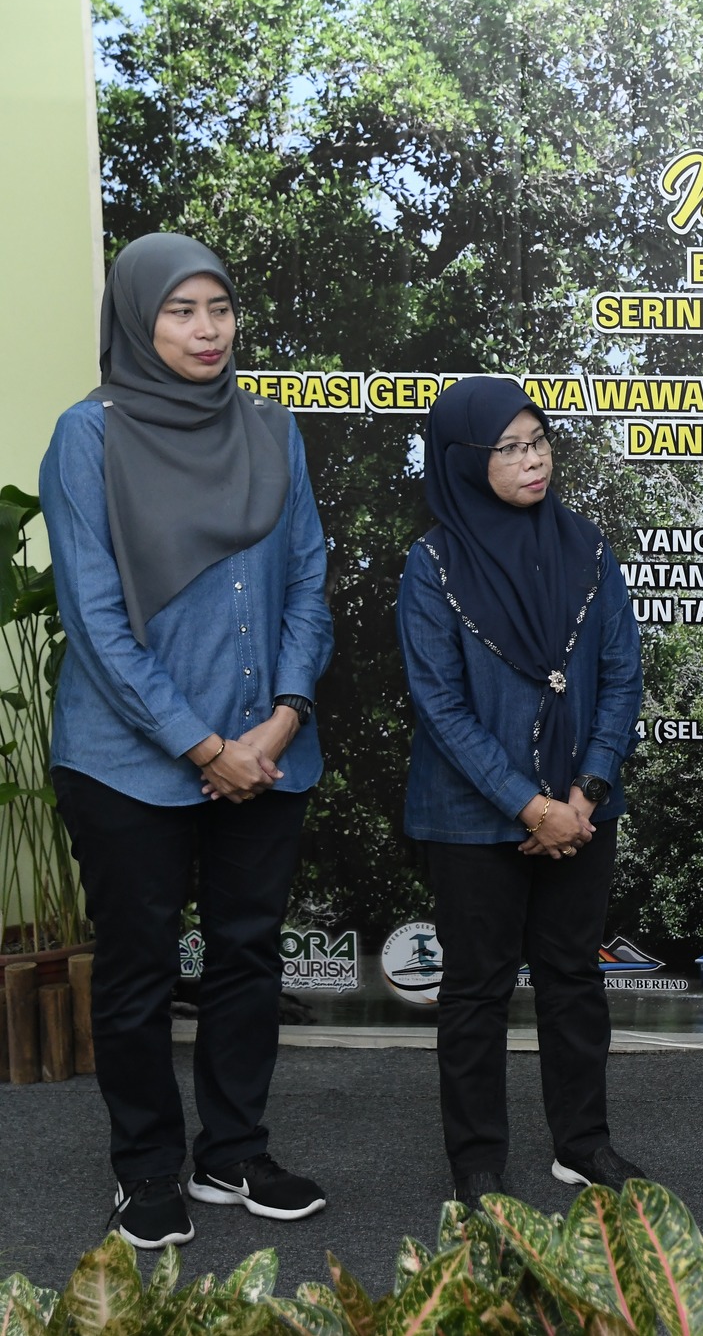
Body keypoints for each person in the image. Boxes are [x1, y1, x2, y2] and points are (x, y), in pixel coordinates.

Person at [42, 232, 335, 1249]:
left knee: (248, 956)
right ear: (138, 318)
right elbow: (93, 618)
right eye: (180, 310)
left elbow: (307, 578)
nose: (206, 330)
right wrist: (204, 746)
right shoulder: (88, 436)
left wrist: (282, 716)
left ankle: (233, 1153)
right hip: (129, 763)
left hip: (270, 749)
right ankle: (145, 1167)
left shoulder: (271, 427)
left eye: (219, 308)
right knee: (138, 971)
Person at [397, 377, 644, 1213]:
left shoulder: (587, 547)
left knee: (574, 976)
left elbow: (621, 674)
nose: (532, 460)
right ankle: (477, 1163)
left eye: (538, 441)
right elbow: (439, 704)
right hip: (471, 816)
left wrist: (586, 791)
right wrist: (529, 805)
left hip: (583, 805)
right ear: (465, 461)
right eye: (508, 448)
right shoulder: (433, 565)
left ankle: (584, 1143)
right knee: (476, 988)